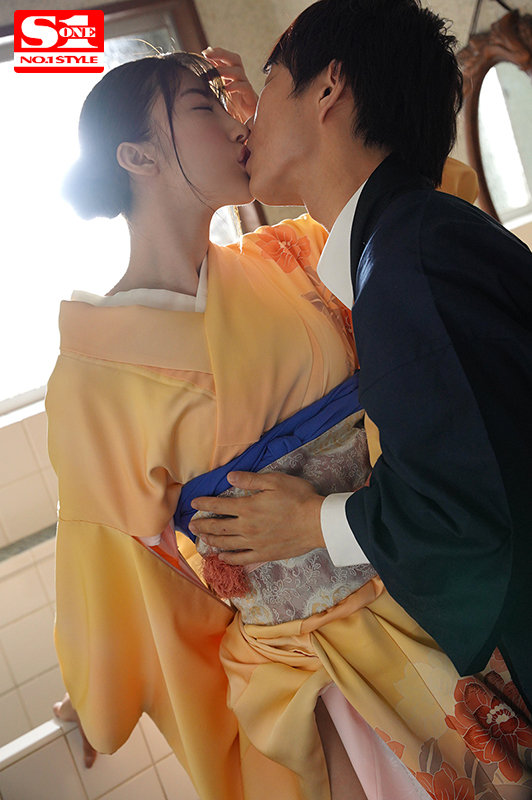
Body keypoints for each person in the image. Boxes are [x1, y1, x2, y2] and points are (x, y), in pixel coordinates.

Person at [47, 46, 531, 800]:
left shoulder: (290, 253)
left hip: (430, 579)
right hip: (306, 663)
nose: (232, 123)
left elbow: (416, 210)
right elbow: (116, 564)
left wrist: (290, 132)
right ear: (138, 156)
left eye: (231, 105)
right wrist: (93, 691)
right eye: (203, 108)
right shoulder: (89, 376)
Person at [190, 0, 532, 718]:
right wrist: (282, 130)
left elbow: (475, 515)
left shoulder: (409, 263)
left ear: (329, 88)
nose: (243, 122)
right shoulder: (410, 238)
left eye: (269, 81)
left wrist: (314, 524)